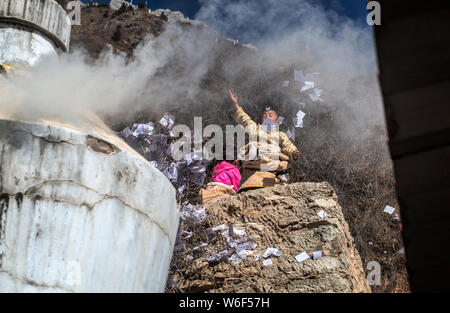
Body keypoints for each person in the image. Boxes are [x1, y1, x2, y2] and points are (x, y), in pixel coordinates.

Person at [228, 90, 301, 192]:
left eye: (270, 115)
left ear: (277, 120)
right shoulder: (255, 129)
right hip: (255, 162)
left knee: (283, 160)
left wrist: (293, 152)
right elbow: (244, 119)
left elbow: (288, 145)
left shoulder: (280, 134)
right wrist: (235, 104)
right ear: (261, 119)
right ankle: (256, 155)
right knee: (252, 146)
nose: (267, 117)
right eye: (264, 115)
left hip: (272, 162)